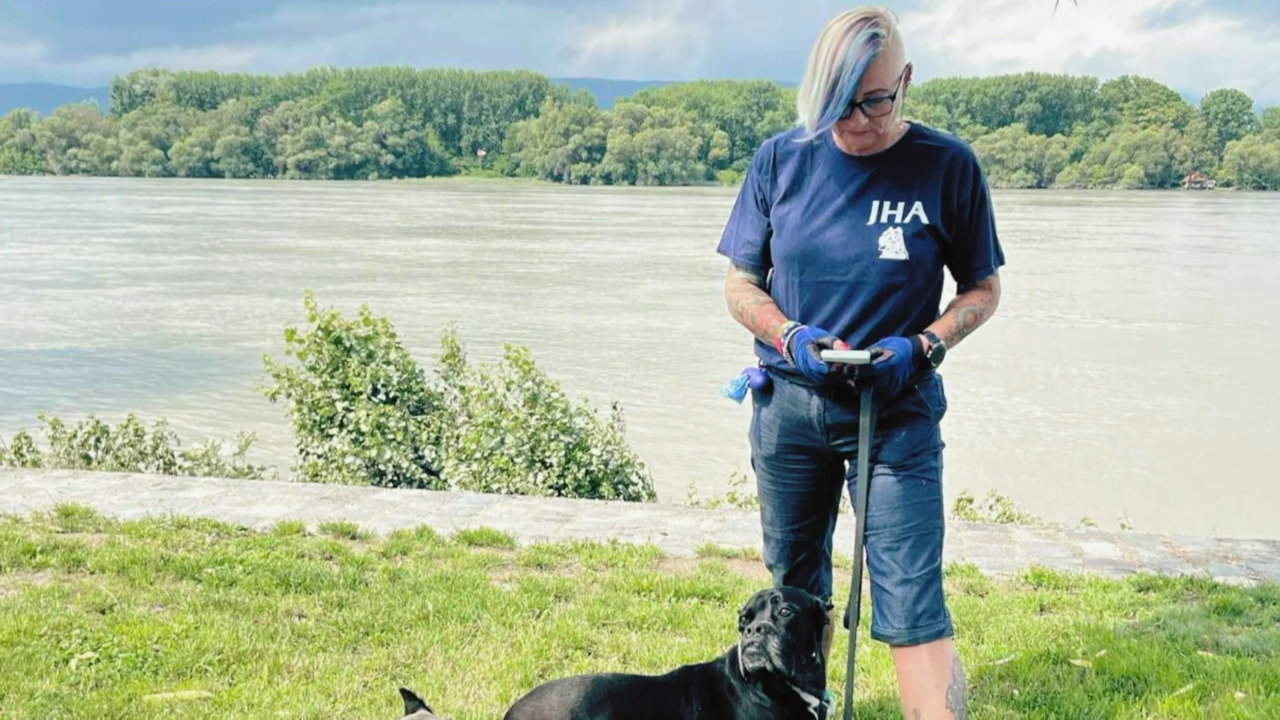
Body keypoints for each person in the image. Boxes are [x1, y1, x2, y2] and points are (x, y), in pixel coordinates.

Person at [715, 5, 1004, 720]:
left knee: (909, 588)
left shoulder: (949, 166)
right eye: (838, 103)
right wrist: (791, 339)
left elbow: (983, 289)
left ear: (904, 81)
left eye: (873, 100)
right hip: (789, 405)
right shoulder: (781, 159)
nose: (856, 120)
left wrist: (924, 345)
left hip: (897, 407)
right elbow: (739, 282)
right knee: (793, 585)